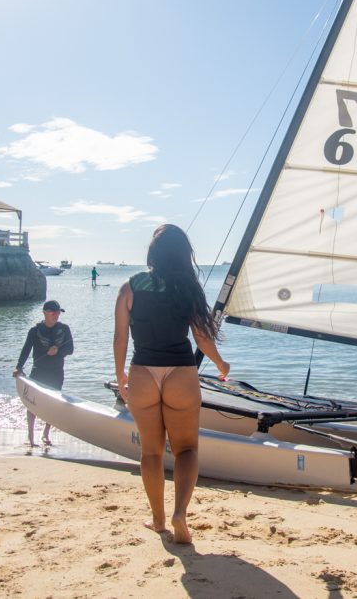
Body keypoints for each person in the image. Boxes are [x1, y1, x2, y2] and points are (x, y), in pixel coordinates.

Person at [113, 224, 230, 544]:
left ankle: (158, 520)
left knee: (151, 452)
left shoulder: (130, 286)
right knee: (187, 449)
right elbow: (202, 337)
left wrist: (121, 375)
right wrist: (221, 364)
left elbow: (120, 336)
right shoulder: (188, 287)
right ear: (183, 254)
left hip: (143, 373)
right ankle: (180, 513)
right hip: (180, 371)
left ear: (152, 252)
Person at [13, 300, 74, 446]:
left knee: (52, 404)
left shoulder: (64, 329)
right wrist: (19, 367)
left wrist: (58, 351)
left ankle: (46, 433)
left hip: (57, 372)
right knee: (32, 403)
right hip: (38, 371)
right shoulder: (35, 331)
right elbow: (26, 350)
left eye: (59, 312)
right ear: (45, 313)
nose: (57, 315)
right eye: (54, 313)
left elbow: (70, 349)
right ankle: (30, 435)